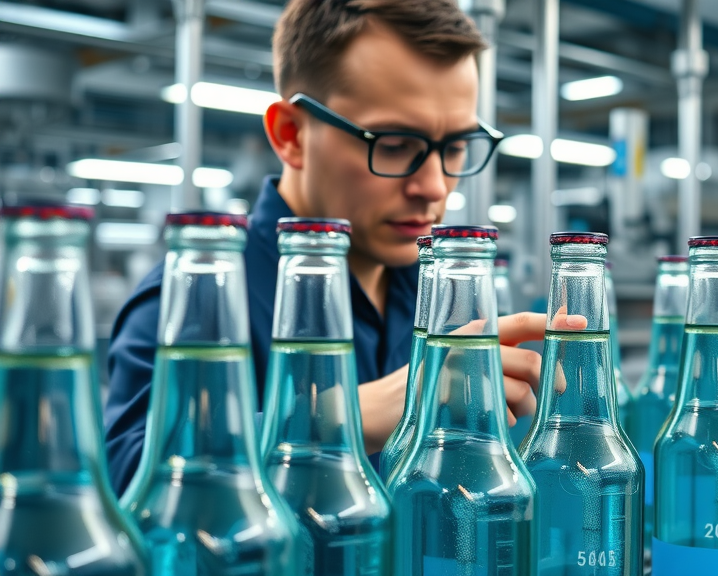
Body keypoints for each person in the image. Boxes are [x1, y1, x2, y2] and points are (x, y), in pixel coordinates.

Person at [103, 0, 545, 495]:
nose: (436, 186)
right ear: (291, 134)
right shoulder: (192, 293)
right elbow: (130, 489)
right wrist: (339, 418)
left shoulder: (437, 294)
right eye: (396, 144)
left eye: (457, 146)